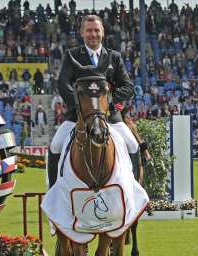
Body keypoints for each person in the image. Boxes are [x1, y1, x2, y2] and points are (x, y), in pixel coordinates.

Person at [48, 14, 140, 188]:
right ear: (82, 33)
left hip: (110, 116)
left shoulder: (114, 57)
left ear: (102, 32)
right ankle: (53, 192)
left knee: (133, 144)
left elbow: (128, 87)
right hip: (78, 115)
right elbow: (62, 83)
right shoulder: (72, 55)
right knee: (55, 145)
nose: (93, 34)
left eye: (96, 30)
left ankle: (133, 191)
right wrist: (79, 106)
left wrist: (108, 102)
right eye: (89, 31)